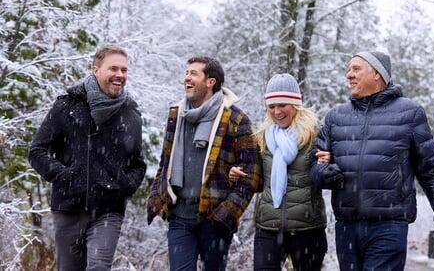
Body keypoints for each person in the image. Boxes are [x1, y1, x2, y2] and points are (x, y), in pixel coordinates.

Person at [310, 51, 434, 270]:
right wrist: (323, 173)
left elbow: (431, 170)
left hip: (389, 226)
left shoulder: (409, 113)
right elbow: (314, 166)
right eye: (349, 69)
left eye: (356, 69)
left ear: (378, 73)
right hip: (347, 227)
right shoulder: (336, 117)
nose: (349, 75)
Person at [29, 45, 146, 270]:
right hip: (69, 207)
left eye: (124, 70)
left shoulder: (130, 114)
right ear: (96, 70)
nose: (120, 75)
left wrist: (124, 185)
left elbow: (138, 164)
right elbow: (37, 150)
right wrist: (66, 176)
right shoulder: (67, 105)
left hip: (108, 209)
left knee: (99, 266)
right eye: (114, 68)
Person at [147, 56, 261, 271]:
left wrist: (225, 214)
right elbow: (165, 162)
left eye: (193, 74)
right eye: (186, 73)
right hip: (179, 216)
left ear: (211, 82)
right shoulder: (177, 115)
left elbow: (252, 174)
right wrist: (156, 197)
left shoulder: (236, 120)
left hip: (215, 219)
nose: (186, 78)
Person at [229, 73, 328, 271]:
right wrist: (234, 175)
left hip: (307, 228)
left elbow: (327, 177)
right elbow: (258, 181)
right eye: (272, 106)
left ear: (296, 105)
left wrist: (328, 162)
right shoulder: (262, 137)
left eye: (283, 105)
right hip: (269, 227)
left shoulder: (316, 135)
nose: (277, 112)